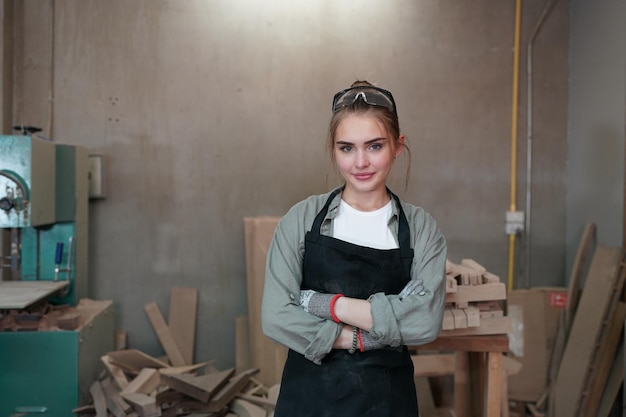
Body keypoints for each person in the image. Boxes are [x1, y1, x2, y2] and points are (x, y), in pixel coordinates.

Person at [261, 80, 447, 417]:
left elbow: (424, 323)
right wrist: (366, 336)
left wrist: (326, 304)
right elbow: (276, 317)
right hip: (307, 402)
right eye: (346, 148)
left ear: (398, 146)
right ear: (333, 149)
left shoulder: (422, 230)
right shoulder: (301, 220)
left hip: (388, 403)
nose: (360, 162)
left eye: (374, 146)